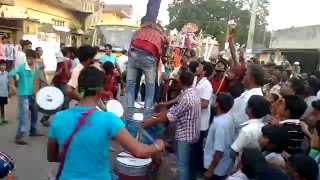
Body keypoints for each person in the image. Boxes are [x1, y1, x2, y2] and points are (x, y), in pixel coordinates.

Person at [47, 66, 165, 179]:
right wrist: (157, 145)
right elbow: (139, 151)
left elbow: (51, 157)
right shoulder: (109, 119)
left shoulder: (59, 118)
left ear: (79, 88)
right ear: (101, 90)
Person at [142, 70, 201, 180]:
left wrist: (150, 121)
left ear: (181, 82)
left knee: (181, 166)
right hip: (191, 133)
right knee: (185, 164)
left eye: (177, 79)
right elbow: (175, 106)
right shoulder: (192, 91)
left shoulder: (187, 98)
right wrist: (160, 111)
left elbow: (170, 116)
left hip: (185, 136)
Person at [125, 17, 168, 141]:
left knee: (130, 87)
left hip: (133, 55)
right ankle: (146, 115)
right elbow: (163, 52)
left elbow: (130, 47)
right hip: (149, 58)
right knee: (150, 88)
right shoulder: (160, 34)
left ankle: (129, 115)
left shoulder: (139, 30)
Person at [8, 49, 43, 145]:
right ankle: (19, 136)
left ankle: (33, 131)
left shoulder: (37, 67)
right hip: (23, 95)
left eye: (32, 59)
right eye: (28, 58)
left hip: (33, 94)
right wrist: (13, 87)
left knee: (35, 113)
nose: (30, 60)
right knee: (23, 116)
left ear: (35, 59)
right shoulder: (21, 67)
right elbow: (10, 74)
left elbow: (40, 79)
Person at [203, 93, 235, 180]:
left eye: (215, 99)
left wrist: (210, 170)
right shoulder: (229, 118)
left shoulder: (220, 123)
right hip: (224, 166)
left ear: (217, 104)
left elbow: (219, 151)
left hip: (216, 169)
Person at [192, 61, 214, 177]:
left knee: (197, 148)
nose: (197, 68)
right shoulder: (195, 80)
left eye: (199, 67)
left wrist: (190, 103)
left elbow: (204, 104)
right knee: (193, 147)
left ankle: (198, 171)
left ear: (204, 71)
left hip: (201, 123)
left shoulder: (207, 85)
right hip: (193, 120)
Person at [230, 64, 264, 130]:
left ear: (251, 78)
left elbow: (238, 122)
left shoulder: (250, 98)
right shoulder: (250, 93)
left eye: (245, 74)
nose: (243, 77)